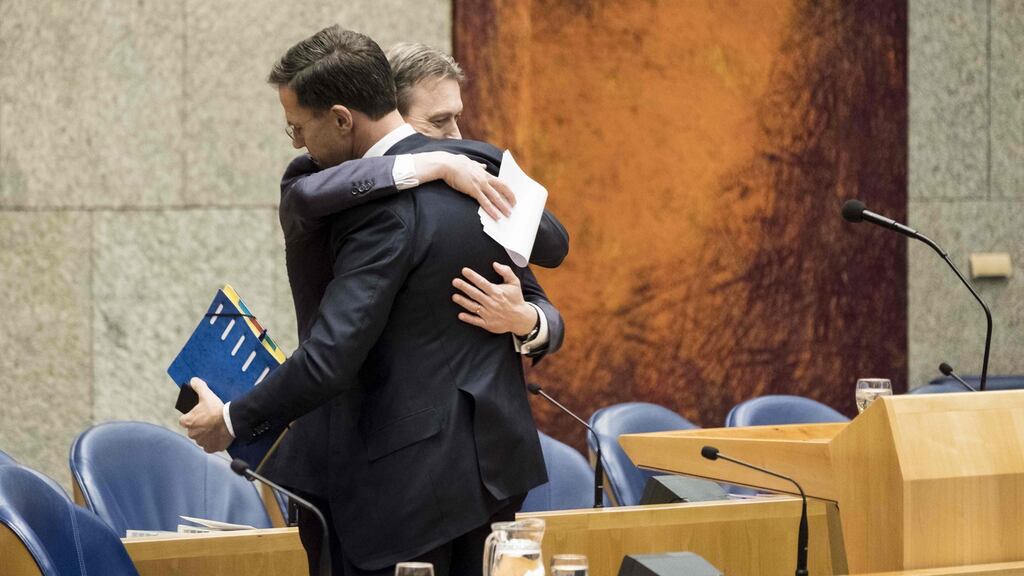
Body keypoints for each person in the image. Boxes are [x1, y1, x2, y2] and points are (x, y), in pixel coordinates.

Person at [181, 26, 552, 576]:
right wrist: (434, 163)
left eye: (298, 127)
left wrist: (233, 420)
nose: (298, 143)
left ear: (340, 118)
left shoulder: (383, 209)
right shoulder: (479, 176)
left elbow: (332, 356)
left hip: (398, 489)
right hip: (492, 476)